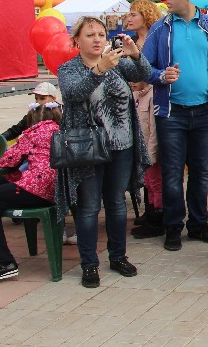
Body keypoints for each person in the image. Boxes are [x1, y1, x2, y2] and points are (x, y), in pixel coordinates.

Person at [56, 16, 152, 287]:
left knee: (117, 204)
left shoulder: (117, 64)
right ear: (77, 41)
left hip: (122, 145)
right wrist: (98, 69)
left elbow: (142, 73)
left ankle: (118, 256)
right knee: (88, 208)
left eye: (100, 34)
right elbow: (75, 93)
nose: (97, 39)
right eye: (90, 35)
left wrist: (135, 55)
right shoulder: (69, 69)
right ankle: (89, 264)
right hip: (88, 148)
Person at [142, 0, 208, 251]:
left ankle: (198, 225)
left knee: (202, 173)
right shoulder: (160, 29)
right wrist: (160, 76)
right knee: (171, 173)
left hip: (204, 113)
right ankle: (172, 227)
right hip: (171, 114)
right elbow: (142, 69)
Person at [0, 104, 61, 284]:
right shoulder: (60, 131)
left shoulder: (32, 134)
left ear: (32, 119)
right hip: (53, 191)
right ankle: (5, 263)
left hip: (33, 188)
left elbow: (7, 160)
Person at [129, 80, 164, 239]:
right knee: (148, 184)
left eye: (135, 79)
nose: (132, 83)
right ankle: (150, 217)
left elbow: (153, 128)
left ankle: (158, 222)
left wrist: (151, 154)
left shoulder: (152, 95)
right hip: (140, 150)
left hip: (150, 151)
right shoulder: (135, 95)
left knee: (156, 185)